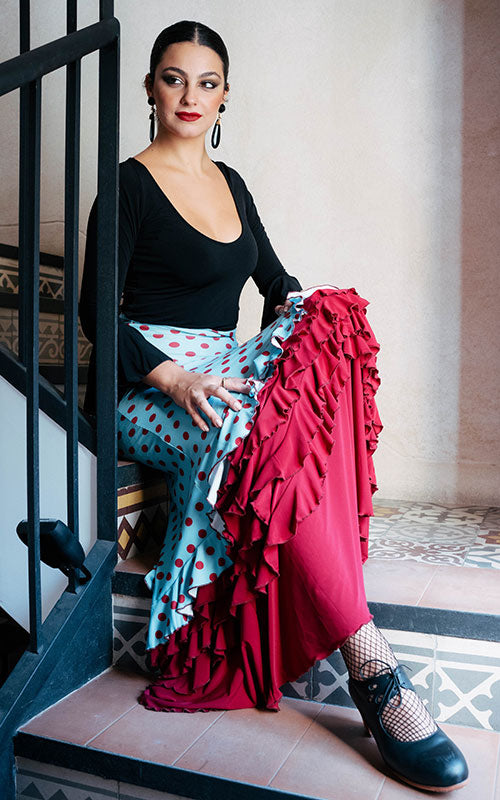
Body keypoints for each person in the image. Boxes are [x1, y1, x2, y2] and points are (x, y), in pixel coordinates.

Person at [79, 20, 468, 793]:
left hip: (221, 366)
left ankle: (362, 648)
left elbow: (277, 286)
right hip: (147, 382)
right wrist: (173, 379)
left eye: (207, 82)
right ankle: (372, 667)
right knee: (248, 428)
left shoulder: (232, 184)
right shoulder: (125, 187)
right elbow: (96, 313)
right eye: (173, 78)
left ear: (225, 95)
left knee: (325, 331)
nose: (189, 96)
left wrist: (295, 324)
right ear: (150, 88)